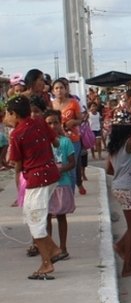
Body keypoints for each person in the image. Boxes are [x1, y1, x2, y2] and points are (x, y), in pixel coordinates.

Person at [5, 96, 63, 280]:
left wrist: (14, 170)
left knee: (35, 221)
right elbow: (56, 143)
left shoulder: (17, 134)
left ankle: (47, 263)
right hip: (51, 173)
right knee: (35, 217)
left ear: (14, 114)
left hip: (37, 179)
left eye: (8, 113)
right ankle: (53, 249)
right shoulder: (39, 123)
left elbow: (18, 164)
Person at [107, 109, 131, 277]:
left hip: (119, 186)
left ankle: (121, 245)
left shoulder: (113, 144)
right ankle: (127, 267)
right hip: (127, 188)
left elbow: (109, 169)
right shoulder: (130, 142)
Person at [43, 110, 75, 263]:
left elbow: (72, 162)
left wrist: (62, 169)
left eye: (55, 122)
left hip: (62, 183)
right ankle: (50, 248)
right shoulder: (42, 142)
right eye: (49, 123)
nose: (52, 126)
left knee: (61, 216)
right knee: (47, 216)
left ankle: (63, 247)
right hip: (47, 185)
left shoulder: (65, 141)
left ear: (60, 123)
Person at [51, 78, 85, 195]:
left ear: (65, 90)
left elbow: (81, 119)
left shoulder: (73, 103)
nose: (59, 90)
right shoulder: (51, 105)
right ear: (53, 91)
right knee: (59, 166)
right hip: (56, 140)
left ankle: (70, 195)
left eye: (61, 88)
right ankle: (60, 195)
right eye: (56, 88)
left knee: (71, 168)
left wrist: (74, 122)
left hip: (73, 139)